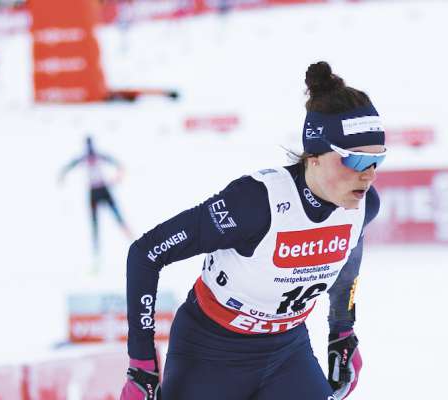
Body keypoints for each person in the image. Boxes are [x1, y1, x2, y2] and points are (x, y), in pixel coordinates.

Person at [120, 61, 387, 400]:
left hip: (287, 352)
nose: (370, 175)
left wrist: (342, 332)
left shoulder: (363, 205)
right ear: (315, 156)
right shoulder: (255, 203)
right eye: (356, 160)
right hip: (210, 352)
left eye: (378, 161)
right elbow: (146, 254)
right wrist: (142, 364)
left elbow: (350, 256)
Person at [59, 136, 133, 256]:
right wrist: (62, 175)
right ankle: (96, 251)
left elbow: (116, 163)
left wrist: (118, 175)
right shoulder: (83, 158)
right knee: (95, 222)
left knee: (118, 217)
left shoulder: (98, 155)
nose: (90, 149)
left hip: (103, 189)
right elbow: (69, 166)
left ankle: (132, 240)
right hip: (93, 192)